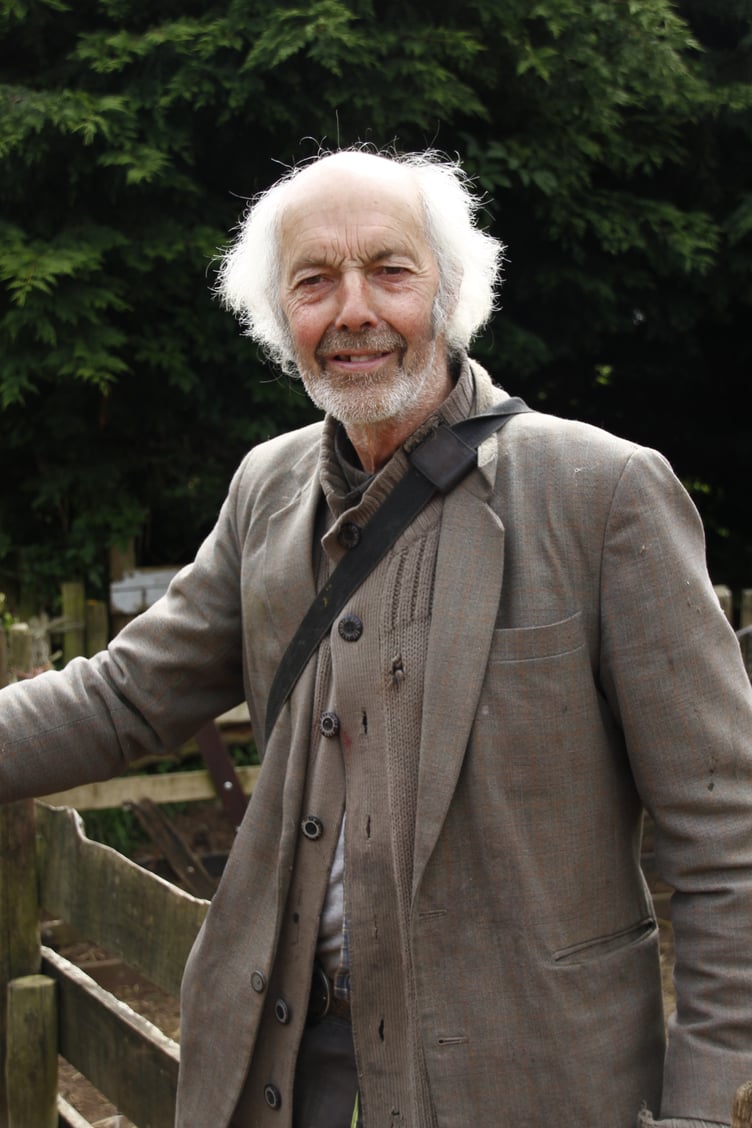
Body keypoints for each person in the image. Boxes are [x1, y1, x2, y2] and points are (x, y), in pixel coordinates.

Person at [1, 148, 751, 1128]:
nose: (351, 309)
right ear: (281, 320)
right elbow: (122, 695)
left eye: (388, 272)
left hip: (530, 1081)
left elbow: (723, 845)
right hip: (280, 1078)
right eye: (312, 281)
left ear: (448, 291)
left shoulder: (598, 493)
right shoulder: (266, 490)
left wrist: (704, 1110)